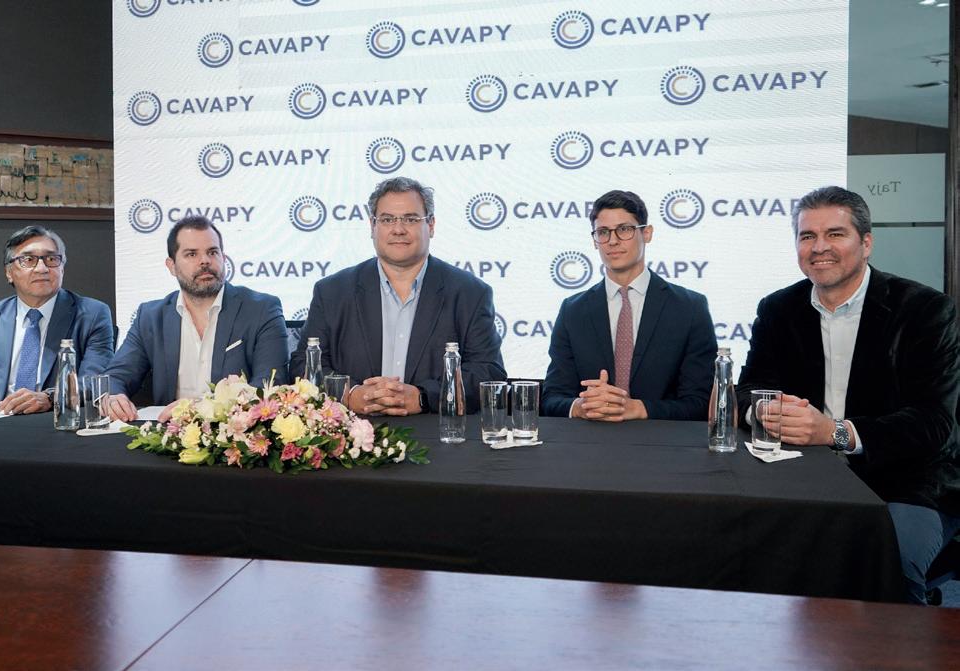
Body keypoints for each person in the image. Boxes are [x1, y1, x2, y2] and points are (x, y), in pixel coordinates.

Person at [736, 185, 960, 604]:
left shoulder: (926, 310)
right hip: (805, 475)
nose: (819, 247)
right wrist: (766, 411)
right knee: (744, 548)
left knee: (886, 564)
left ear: (866, 243)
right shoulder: (778, 308)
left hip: (905, 484)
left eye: (835, 234)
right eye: (807, 236)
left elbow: (934, 423)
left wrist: (835, 433)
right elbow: (747, 391)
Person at [290, 176, 505, 415]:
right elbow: (303, 366)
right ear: (372, 226)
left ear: (431, 225)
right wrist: (349, 395)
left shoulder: (469, 293)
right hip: (355, 430)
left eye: (411, 219)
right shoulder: (332, 291)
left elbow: (489, 373)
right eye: (387, 219)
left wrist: (424, 397)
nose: (398, 229)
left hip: (434, 430)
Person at [542, 190, 716, 421]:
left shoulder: (690, 308)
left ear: (647, 233)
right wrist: (580, 406)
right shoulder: (573, 310)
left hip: (663, 441)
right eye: (603, 232)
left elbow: (701, 403)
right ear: (594, 241)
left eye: (624, 229)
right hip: (589, 440)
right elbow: (552, 398)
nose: (612, 241)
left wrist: (639, 409)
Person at [104, 216, 289, 421]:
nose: (205, 261)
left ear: (223, 259)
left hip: (235, 432)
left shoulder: (261, 309)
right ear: (171, 266)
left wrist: (202, 407)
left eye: (212, 252)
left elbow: (271, 386)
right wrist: (113, 397)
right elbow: (116, 377)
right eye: (191, 254)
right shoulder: (151, 317)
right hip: (167, 433)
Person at [0, 225, 114, 413]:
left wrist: (50, 397)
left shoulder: (92, 314)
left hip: (54, 421)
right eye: (28, 260)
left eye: (51, 259)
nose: (41, 268)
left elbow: (94, 381)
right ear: (9, 272)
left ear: (62, 268)